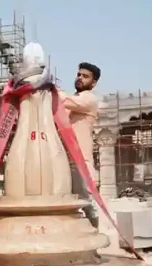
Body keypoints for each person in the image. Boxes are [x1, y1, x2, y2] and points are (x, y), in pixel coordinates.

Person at [59, 62, 101, 228]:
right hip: (65, 159)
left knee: (88, 204)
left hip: (81, 160)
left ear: (93, 82)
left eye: (85, 76)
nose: (80, 78)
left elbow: (63, 100)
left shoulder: (89, 99)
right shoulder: (72, 101)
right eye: (78, 75)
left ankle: (94, 243)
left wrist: (49, 87)